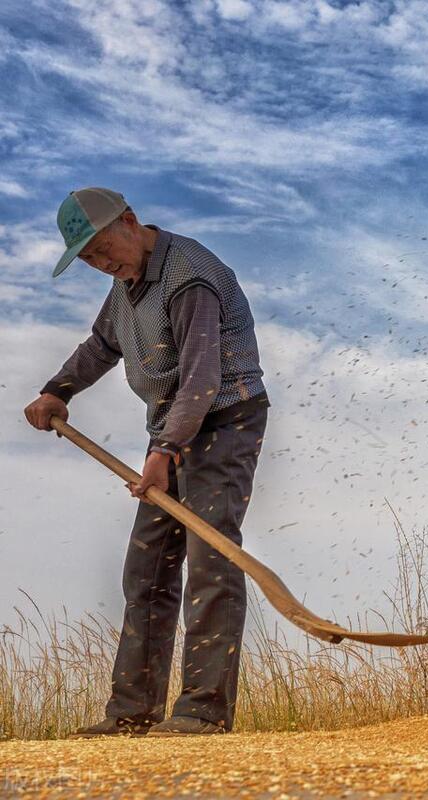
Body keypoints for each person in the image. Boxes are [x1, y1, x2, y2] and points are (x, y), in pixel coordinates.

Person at [23, 187, 270, 737]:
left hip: (225, 424)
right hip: (173, 432)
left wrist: (165, 453)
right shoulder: (126, 285)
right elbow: (100, 345)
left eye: (101, 247)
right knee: (147, 570)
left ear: (129, 221)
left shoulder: (189, 278)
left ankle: (203, 712)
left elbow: (203, 380)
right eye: (87, 258)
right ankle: (131, 715)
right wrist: (58, 389)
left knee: (211, 556)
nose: (99, 262)